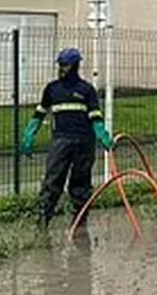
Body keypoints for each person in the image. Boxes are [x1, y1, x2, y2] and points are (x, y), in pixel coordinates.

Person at [20, 47, 113, 227]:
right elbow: (40, 113)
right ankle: (43, 220)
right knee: (52, 180)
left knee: (81, 183)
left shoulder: (86, 90)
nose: (61, 68)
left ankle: (80, 222)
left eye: (65, 65)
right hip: (61, 141)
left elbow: (95, 114)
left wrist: (101, 132)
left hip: (84, 142)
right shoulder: (52, 89)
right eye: (60, 65)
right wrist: (30, 133)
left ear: (75, 66)